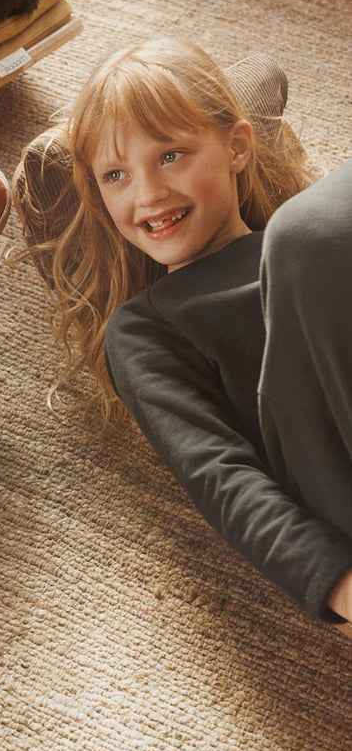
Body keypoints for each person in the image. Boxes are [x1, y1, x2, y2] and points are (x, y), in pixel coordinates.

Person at [31, 37, 352, 627]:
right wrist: (340, 583)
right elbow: (220, 476)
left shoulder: (301, 243)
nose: (148, 193)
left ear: (237, 147)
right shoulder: (146, 327)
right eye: (116, 174)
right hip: (336, 468)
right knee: (308, 233)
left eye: (171, 155)